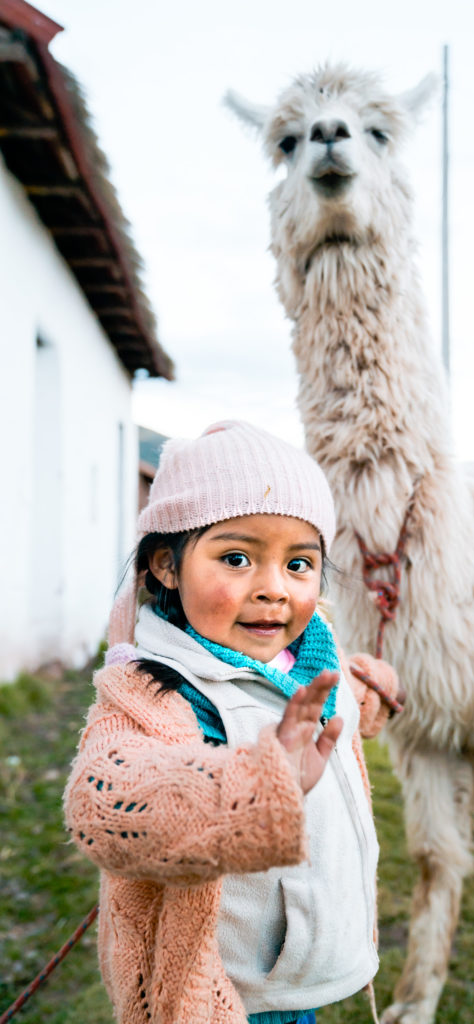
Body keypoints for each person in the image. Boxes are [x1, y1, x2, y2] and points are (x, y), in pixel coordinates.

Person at [63, 420, 400, 1024]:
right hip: (225, 997)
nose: (274, 589)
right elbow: (102, 802)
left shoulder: (308, 660)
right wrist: (254, 784)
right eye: (238, 558)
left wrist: (370, 689)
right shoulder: (151, 695)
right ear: (166, 566)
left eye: (299, 564)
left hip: (298, 983)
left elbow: (335, 706)